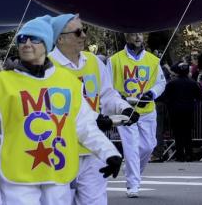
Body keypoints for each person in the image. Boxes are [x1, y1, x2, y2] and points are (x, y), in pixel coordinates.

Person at [0, 17, 122, 203]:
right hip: (18, 175)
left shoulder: (68, 82)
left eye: (35, 39)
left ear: (47, 44)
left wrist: (109, 153)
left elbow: (84, 125)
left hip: (57, 172)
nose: (27, 44)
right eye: (22, 39)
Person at [44, 13, 135, 203]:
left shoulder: (93, 62)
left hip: (93, 150)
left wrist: (124, 109)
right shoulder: (48, 67)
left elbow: (107, 94)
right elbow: (54, 109)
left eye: (84, 30)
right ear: (60, 38)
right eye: (78, 32)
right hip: (59, 152)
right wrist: (96, 118)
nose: (84, 36)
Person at [109, 31, 165, 197]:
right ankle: (133, 184)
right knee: (131, 147)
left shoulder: (153, 60)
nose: (138, 37)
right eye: (134, 35)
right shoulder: (114, 60)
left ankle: (131, 170)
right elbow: (107, 84)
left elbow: (161, 82)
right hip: (125, 112)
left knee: (149, 146)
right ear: (126, 37)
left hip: (147, 111)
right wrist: (119, 97)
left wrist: (152, 93)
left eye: (140, 34)